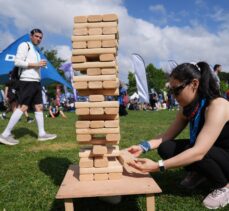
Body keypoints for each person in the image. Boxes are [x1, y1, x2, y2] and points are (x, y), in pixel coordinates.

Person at [127, 62, 229, 210]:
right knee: (166, 148)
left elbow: (199, 151)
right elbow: (166, 136)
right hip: (210, 151)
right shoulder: (187, 108)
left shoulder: (217, 105)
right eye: (171, 91)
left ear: (194, 84)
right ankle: (201, 173)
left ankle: (224, 186)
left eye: (177, 90)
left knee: (199, 151)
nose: (173, 97)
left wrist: (158, 166)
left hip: (220, 154)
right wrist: (143, 147)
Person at [0, 28, 57, 145]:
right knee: (23, 107)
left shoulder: (36, 51)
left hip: (36, 81)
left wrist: (39, 66)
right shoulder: (25, 45)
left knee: (39, 107)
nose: (39, 39)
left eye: (40, 37)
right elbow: (17, 62)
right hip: (27, 81)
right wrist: (36, 64)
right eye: (36, 36)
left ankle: (42, 134)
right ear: (31, 36)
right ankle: (5, 134)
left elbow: (32, 65)